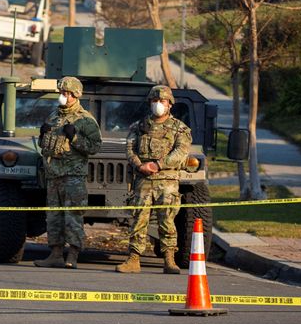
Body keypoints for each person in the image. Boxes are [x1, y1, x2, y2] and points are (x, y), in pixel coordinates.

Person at [116, 85, 192, 274]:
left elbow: (180, 153)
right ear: (150, 103)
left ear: (170, 104)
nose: (158, 104)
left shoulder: (180, 129)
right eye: (155, 101)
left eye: (162, 101)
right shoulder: (139, 126)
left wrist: (158, 164)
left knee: (167, 220)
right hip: (143, 181)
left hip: (167, 181)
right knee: (138, 219)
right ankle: (133, 259)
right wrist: (139, 165)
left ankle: (169, 259)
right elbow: (129, 149)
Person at [34, 77, 101, 269]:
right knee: (54, 216)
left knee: (73, 216)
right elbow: (45, 146)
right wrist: (42, 134)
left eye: (66, 93)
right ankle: (55, 254)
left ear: (75, 95)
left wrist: (75, 137)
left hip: (73, 176)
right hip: (53, 175)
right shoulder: (53, 116)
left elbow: (95, 146)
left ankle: (72, 255)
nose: (63, 96)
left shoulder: (85, 119)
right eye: (61, 92)